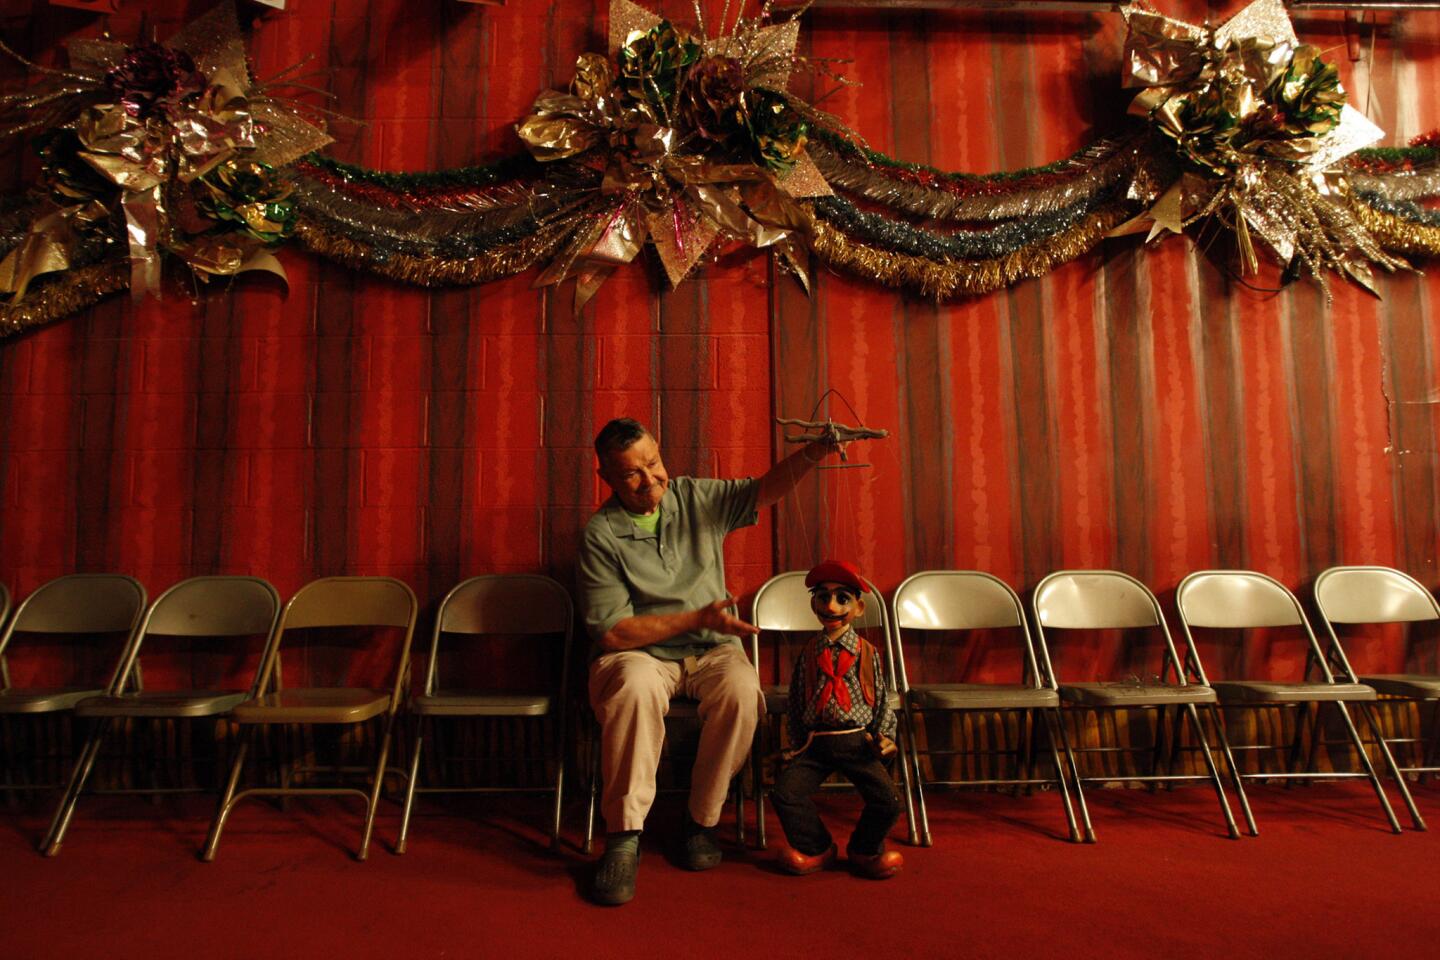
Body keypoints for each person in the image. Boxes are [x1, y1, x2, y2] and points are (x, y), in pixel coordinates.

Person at [579, 417, 837, 906]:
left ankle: (701, 823)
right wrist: (694, 617)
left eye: (654, 463)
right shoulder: (600, 534)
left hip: (712, 648)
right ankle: (623, 838)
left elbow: (765, 490)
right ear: (607, 477)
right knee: (631, 691)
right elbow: (612, 630)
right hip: (638, 655)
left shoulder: (697, 498)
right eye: (632, 473)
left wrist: (815, 452)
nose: (650, 480)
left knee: (744, 694)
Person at [770, 558, 903, 880]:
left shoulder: (867, 652)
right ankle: (816, 848)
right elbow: (798, 698)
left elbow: (882, 697)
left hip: (858, 740)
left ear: (858, 607)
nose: (830, 606)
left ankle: (865, 850)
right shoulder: (810, 652)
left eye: (842, 598)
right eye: (822, 596)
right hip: (817, 742)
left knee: (887, 801)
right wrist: (796, 744)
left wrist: (885, 736)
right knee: (785, 793)